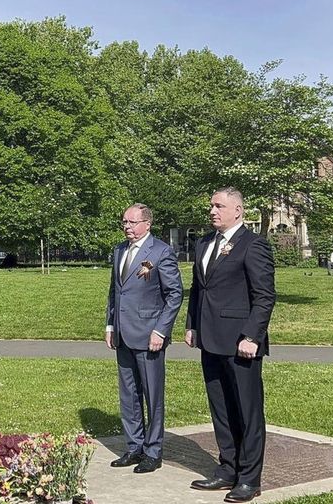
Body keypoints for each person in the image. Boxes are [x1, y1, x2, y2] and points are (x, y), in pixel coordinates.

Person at [185, 188, 276, 503]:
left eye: (218, 205)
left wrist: (252, 336)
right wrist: (191, 325)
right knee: (221, 409)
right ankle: (227, 469)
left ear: (238, 210)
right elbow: (198, 289)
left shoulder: (253, 246)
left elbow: (264, 296)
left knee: (248, 412)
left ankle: (250, 479)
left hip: (241, 343)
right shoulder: (204, 244)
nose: (212, 210)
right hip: (210, 340)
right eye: (211, 204)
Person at [105, 203, 183, 474]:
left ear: (147, 224)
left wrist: (161, 330)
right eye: (124, 222)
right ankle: (134, 446)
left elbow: (175, 294)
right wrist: (110, 325)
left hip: (150, 336)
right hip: (123, 334)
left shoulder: (161, 252)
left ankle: (153, 450)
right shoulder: (119, 251)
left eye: (132, 222)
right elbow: (115, 291)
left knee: (152, 395)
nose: (127, 227)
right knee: (129, 394)